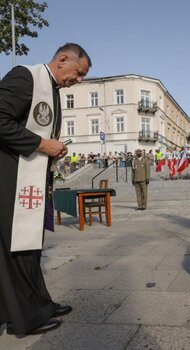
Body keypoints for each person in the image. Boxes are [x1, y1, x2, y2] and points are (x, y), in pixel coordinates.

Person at [0, 43, 91, 336]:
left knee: (30, 248)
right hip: (9, 178)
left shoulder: (51, 90)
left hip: (31, 180)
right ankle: (23, 317)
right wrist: (42, 144)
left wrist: (53, 148)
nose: (78, 81)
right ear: (62, 59)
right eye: (79, 73)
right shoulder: (24, 77)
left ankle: (39, 304)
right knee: (17, 252)